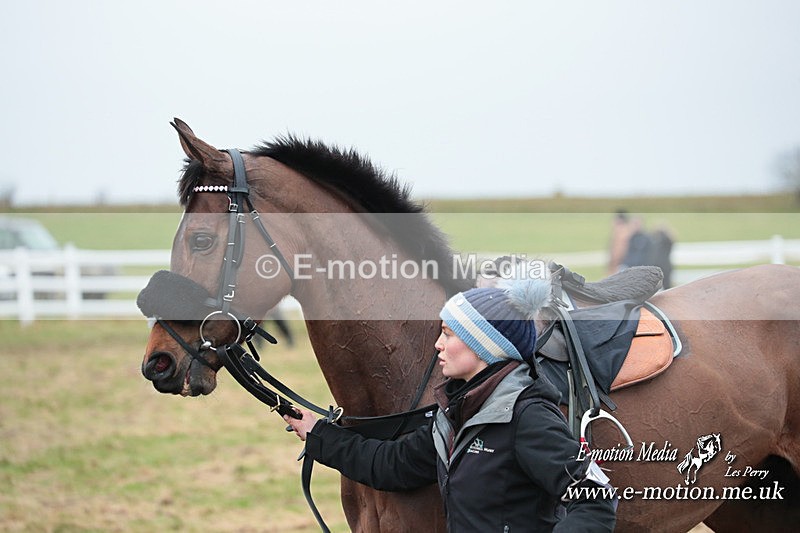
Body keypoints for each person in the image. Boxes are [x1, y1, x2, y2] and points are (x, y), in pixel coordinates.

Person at [285, 280, 617, 532]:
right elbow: (392, 465)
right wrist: (319, 434)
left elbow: (595, 499)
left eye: (448, 333)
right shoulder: (454, 414)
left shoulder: (528, 416)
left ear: (484, 346)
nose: (437, 344)